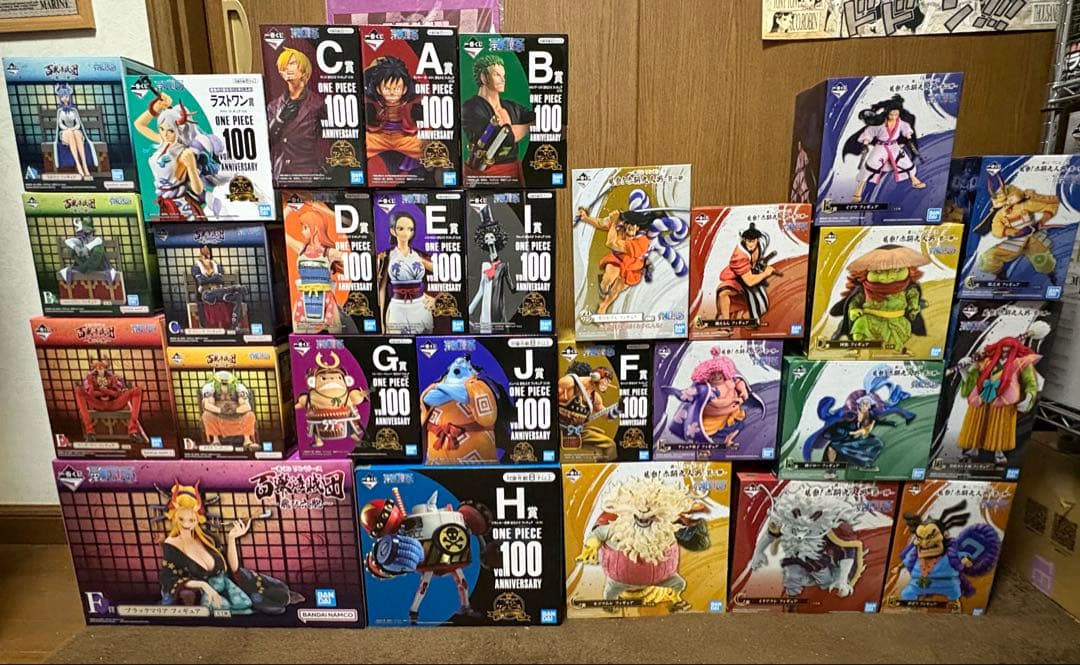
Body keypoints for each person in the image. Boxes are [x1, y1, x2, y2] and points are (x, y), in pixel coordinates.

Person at [159, 482, 303, 614]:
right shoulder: (171, 545)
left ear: (197, 520)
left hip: (230, 583)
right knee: (267, 607)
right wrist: (204, 585)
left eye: (191, 519)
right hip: (210, 594)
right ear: (174, 517)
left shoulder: (208, 538)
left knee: (280, 593)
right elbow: (170, 579)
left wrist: (232, 538)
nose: (186, 524)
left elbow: (232, 568)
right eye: (182, 519)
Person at [133, 89, 226, 220]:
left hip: (181, 205)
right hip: (166, 202)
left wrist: (191, 167)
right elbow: (139, 124)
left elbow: (198, 189)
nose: (165, 134)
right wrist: (156, 108)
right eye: (161, 129)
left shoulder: (184, 152)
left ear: (179, 130)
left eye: (170, 130)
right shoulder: (163, 142)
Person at [284, 201, 358, 334]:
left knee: (336, 333)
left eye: (305, 227)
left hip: (325, 297)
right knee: (300, 334)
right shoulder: (301, 249)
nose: (302, 231)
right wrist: (288, 210)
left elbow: (352, 259)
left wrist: (328, 213)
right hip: (304, 297)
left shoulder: (329, 253)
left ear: (315, 228)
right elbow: (284, 235)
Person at [461, 54, 534, 183]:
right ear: (484, 77)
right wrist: (530, 126)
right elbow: (502, 137)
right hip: (482, 179)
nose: (503, 79)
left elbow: (539, 117)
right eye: (497, 75)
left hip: (513, 176)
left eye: (503, 75)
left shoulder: (512, 107)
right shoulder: (470, 107)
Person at [842, 94, 925, 202]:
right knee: (872, 163)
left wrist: (908, 135)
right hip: (881, 146)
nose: (894, 116)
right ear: (887, 113)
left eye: (896, 114)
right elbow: (870, 131)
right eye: (892, 114)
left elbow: (906, 128)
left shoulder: (901, 122)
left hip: (894, 146)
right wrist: (866, 142)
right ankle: (859, 187)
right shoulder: (880, 123)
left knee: (905, 162)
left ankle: (914, 179)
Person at [267, 47, 324, 179]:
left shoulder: (318, 104)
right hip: (281, 175)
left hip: (309, 175)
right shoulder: (273, 106)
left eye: (292, 63)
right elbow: (268, 142)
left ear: (303, 70)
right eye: (284, 65)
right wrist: (279, 120)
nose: (288, 68)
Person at [363, 56, 425, 177]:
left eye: (397, 89)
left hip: (404, 136)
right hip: (379, 136)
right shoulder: (372, 100)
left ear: (404, 89)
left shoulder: (413, 100)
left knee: (424, 150)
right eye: (387, 89)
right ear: (378, 89)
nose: (392, 93)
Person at [375, 211, 434, 334]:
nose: (406, 232)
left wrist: (435, 298)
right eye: (400, 228)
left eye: (410, 229)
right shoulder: (387, 255)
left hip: (420, 306)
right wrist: (380, 321)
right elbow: (382, 289)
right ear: (393, 231)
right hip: (397, 307)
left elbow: (443, 271)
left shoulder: (419, 254)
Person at [713, 223, 775, 336]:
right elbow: (749, 281)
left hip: (752, 276)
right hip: (739, 278)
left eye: (753, 241)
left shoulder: (762, 241)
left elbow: (765, 236)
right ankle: (726, 324)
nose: (750, 244)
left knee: (758, 311)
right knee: (723, 292)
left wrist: (760, 266)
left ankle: (740, 315)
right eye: (748, 241)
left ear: (757, 239)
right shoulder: (739, 255)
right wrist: (766, 273)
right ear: (744, 240)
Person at [74, 359, 146, 444]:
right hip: (98, 404)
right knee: (78, 390)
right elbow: (90, 394)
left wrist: (107, 391)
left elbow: (117, 394)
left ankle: (133, 431)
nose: (100, 367)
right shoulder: (90, 378)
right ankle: (90, 432)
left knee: (137, 390)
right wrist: (95, 386)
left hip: (113, 404)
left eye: (102, 366)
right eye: (97, 366)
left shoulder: (113, 377)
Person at [558, 361, 618, 460]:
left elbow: (607, 416)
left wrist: (619, 408)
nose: (606, 384)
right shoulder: (568, 383)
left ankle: (601, 468)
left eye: (608, 382)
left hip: (579, 430)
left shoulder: (595, 397)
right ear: (595, 377)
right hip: (558, 428)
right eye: (605, 380)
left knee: (609, 446)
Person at [468, 208, 514, 331]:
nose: (489, 239)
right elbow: (481, 290)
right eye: (486, 238)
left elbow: (510, 288)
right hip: (486, 307)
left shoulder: (503, 263)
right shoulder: (484, 265)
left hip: (498, 306)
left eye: (491, 236)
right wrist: (470, 309)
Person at [191, 246, 247, 330]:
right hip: (207, 294)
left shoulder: (216, 265)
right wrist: (213, 278)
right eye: (204, 252)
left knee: (238, 296)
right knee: (209, 294)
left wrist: (208, 278)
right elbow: (201, 281)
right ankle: (233, 288)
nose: (206, 254)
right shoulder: (196, 266)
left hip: (220, 293)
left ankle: (234, 325)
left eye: (208, 252)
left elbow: (219, 279)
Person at [200, 370, 257, 451]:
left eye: (226, 384)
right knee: (207, 415)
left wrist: (235, 410)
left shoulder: (240, 388)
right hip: (218, 415)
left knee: (250, 415)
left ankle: (247, 440)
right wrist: (220, 410)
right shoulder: (209, 388)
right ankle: (216, 440)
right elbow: (207, 405)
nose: (224, 386)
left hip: (236, 415)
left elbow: (247, 406)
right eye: (222, 384)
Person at [52, 83, 96, 179]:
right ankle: (78, 164)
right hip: (65, 133)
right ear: (60, 98)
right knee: (70, 133)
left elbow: (78, 124)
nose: (65, 98)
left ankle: (84, 165)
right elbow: (60, 124)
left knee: (75, 132)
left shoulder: (73, 110)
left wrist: (73, 129)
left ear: (69, 97)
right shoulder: (60, 111)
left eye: (66, 96)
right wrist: (68, 129)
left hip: (74, 131)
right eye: (62, 97)